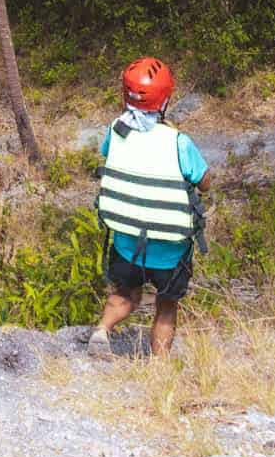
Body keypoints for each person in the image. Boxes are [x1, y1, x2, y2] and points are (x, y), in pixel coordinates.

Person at [89, 54, 209, 358]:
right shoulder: (178, 141)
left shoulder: (116, 129)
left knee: (125, 295)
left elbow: (109, 154)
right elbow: (205, 181)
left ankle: (102, 330)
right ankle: (159, 366)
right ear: (165, 99)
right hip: (170, 250)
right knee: (166, 306)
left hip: (127, 242)